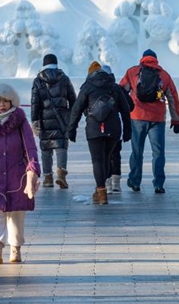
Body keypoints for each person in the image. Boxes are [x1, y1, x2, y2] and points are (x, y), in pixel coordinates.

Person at [0, 83, 40, 263]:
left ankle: (15, 249)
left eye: (6, 101)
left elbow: (30, 149)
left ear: (12, 102)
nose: (2, 104)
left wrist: (32, 172)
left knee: (16, 214)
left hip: (17, 175)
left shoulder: (21, 122)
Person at [67, 61, 131, 204]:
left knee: (97, 160)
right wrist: (128, 130)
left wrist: (72, 129)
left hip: (94, 128)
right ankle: (99, 190)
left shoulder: (87, 87)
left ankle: (101, 192)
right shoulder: (115, 87)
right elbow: (126, 110)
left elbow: (76, 109)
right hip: (113, 129)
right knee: (106, 158)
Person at [119, 49, 179, 194]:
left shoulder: (132, 72)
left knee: (137, 151)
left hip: (137, 117)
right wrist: (176, 120)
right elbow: (173, 98)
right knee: (158, 153)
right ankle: (158, 184)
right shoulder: (164, 75)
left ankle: (135, 182)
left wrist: (124, 110)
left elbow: (121, 90)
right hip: (157, 119)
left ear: (142, 59)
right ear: (156, 59)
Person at [30, 53, 76, 189]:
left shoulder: (38, 81)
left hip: (45, 119)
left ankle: (48, 178)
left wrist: (35, 121)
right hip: (62, 119)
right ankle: (61, 175)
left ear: (44, 65)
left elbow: (35, 103)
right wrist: (72, 118)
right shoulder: (64, 79)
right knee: (61, 146)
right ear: (56, 64)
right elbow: (73, 99)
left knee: (46, 148)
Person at [101, 64, 133, 193]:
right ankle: (116, 183)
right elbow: (130, 106)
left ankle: (107, 182)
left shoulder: (95, 88)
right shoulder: (118, 89)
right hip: (116, 126)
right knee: (115, 154)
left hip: (101, 126)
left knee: (104, 154)